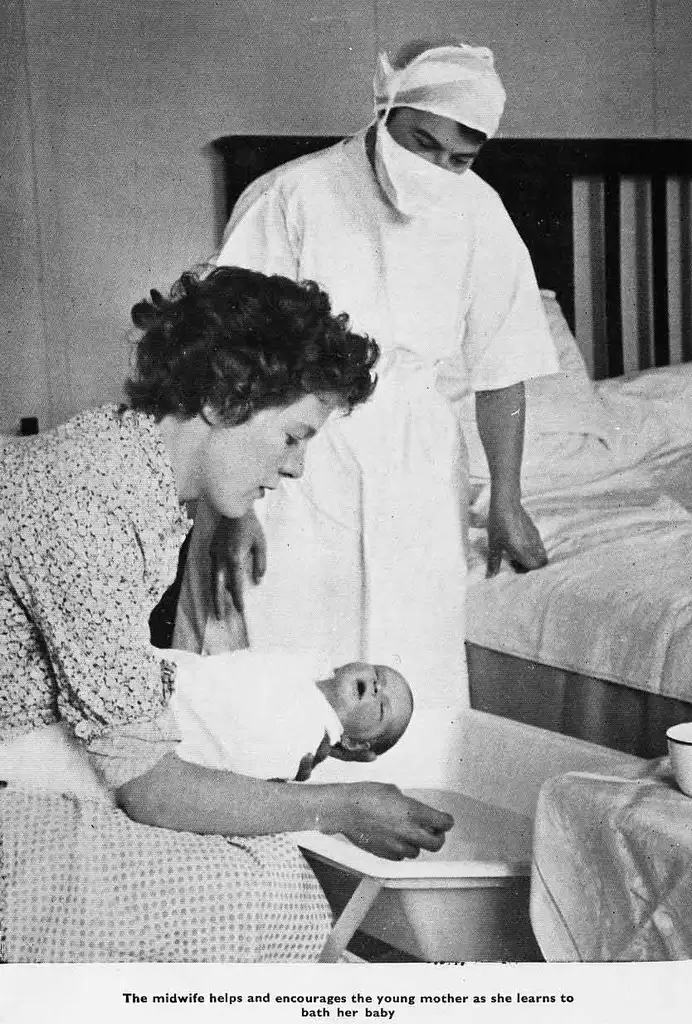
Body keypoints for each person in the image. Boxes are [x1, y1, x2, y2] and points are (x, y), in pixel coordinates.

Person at [0, 265, 453, 963]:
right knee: (262, 893)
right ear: (223, 398)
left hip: (36, 744)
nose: (298, 467)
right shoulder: (90, 512)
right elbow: (149, 790)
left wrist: (229, 510)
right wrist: (343, 805)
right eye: (293, 436)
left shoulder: (127, 461)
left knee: (266, 863)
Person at [182, 38, 560, 708]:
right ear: (386, 111)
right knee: (286, 648)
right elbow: (228, 357)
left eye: (461, 158)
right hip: (296, 451)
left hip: (415, 464)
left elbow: (504, 363)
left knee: (408, 665)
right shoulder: (294, 194)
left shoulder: (479, 212)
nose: (438, 167)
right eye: (422, 142)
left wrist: (506, 495)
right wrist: (230, 508)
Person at [167, 648, 414, 781]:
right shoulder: (305, 664)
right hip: (174, 672)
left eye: (382, 707)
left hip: (174, 728)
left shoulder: (306, 744)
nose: (376, 688)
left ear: (353, 742)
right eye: (378, 675)